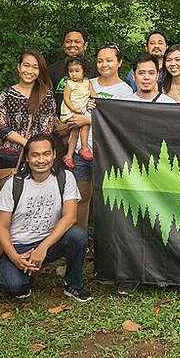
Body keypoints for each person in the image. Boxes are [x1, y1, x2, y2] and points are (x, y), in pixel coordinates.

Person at [0, 135, 90, 302]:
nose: (41, 160)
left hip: (49, 243)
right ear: (27, 157)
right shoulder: (14, 184)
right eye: (35, 155)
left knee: (78, 235)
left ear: (54, 154)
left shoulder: (65, 178)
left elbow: (70, 217)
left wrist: (42, 248)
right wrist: (15, 258)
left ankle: (73, 283)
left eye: (46, 154)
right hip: (19, 247)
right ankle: (24, 271)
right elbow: (1, 226)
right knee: (16, 288)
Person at [67, 43, 134, 231]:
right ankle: (81, 240)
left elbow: (120, 124)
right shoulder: (88, 83)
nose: (104, 64)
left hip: (107, 151)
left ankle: (105, 240)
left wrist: (86, 119)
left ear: (119, 63)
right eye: (99, 61)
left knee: (107, 198)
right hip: (82, 150)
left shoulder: (125, 91)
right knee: (81, 196)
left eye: (109, 60)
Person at [0, 51, 55, 170]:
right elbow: (0, 126)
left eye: (35, 67)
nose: (30, 71)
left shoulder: (46, 96)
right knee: (12, 187)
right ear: (19, 67)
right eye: (26, 65)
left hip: (38, 156)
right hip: (10, 156)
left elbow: (47, 127)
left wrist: (34, 148)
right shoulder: (6, 94)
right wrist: (26, 143)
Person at [46, 28, 98, 114]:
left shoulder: (94, 69)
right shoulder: (51, 70)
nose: (72, 44)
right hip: (59, 122)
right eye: (68, 41)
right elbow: (45, 99)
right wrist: (56, 122)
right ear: (63, 45)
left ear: (85, 45)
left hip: (87, 121)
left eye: (77, 41)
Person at [60, 57, 97, 168]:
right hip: (71, 110)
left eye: (77, 71)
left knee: (75, 133)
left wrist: (96, 101)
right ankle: (84, 148)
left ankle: (69, 156)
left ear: (84, 71)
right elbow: (66, 98)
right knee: (84, 125)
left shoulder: (87, 82)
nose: (74, 74)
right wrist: (74, 109)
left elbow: (94, 94)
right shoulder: (69, 84)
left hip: (81, 110)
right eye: (71, 71)